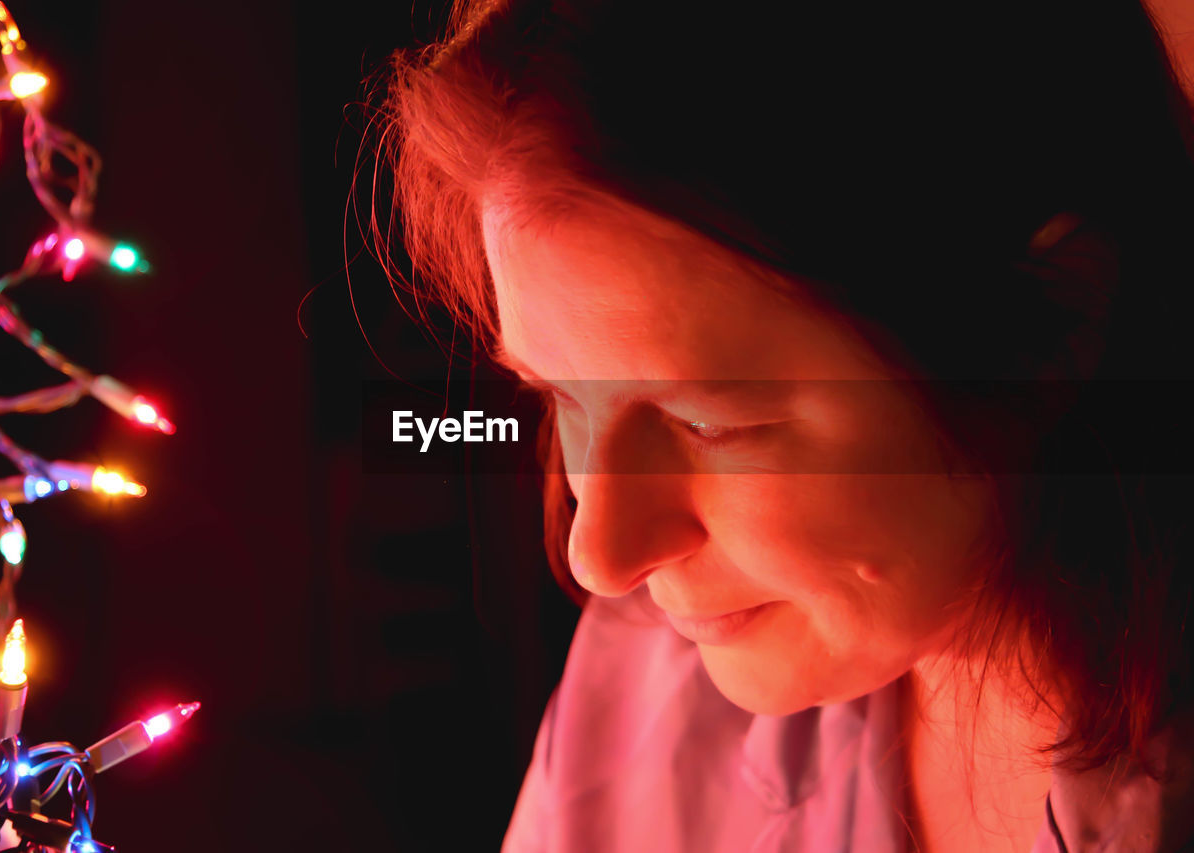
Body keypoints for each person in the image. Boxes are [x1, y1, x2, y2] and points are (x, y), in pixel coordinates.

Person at [368, 0, 1194, 850]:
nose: (602, 558)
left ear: (1051, 326)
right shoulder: (639, 698)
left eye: (708, 422)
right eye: (561, 397)